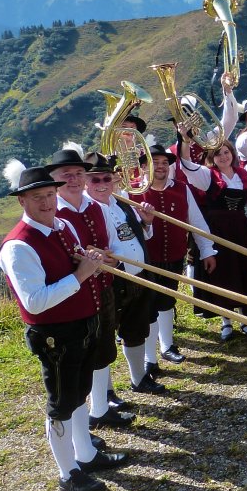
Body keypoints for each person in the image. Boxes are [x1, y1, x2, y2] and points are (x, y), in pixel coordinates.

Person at [0, 162, 127, 491]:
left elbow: (74, 262)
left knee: (79, 394)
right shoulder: (18, 246)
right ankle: (67, 473)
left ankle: (85, 455)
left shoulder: (63, 226)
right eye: (38, 197)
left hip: (82, 323)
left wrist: (91, 260)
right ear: (21, 202)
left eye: (50, 195)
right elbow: (35, 302)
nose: (47, 202)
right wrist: (83, 273)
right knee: (60, 402)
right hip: (54, 334)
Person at [48, 146, 135, 430]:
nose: (73, 179)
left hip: (104, 290)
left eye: (78, 174)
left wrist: (110, 257)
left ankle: (100, 409)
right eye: (66, 175)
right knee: (80, 362)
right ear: (55, 180)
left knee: (103, 351)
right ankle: (82, 426)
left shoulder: (97, 207)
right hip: (76, 297)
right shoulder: (53, 213)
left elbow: (113, 245)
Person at [82, 153, 166, 396]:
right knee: (105, 339)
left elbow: (138, 236)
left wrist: (147, 223)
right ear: (86, 182)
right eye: (94, 180)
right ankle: (105, 393)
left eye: (106, 178)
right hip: (112, 281)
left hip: (138, 275)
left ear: (114, 180)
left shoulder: (120, 202)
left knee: (137, 329)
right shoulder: (87, 210)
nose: (101, 184)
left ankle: (138, 378)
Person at [137, 143, 217, 374]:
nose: (160, 167)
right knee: (149, 307)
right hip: (145, 261)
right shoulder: (132, 192)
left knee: (167, 302)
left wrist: (208, 250)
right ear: (143, 167)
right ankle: (149, 359)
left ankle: (167, 346)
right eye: (154, 163)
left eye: (164, 163)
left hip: (174, 256)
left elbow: (197, 222)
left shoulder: (182, 189)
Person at [195, 140, 247, 340]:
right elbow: (187, 168)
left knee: (243, 271)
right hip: (217, 229)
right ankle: (226, 321)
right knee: (223, 273)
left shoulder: (245, 176)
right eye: (218, 154)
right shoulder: (208, 176)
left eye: (226, 152)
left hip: (239, 228)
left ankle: (246, 320)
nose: (223, 156)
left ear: (232, 154)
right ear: (212, 158)